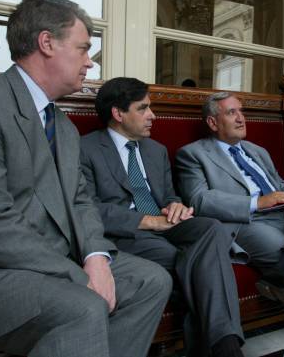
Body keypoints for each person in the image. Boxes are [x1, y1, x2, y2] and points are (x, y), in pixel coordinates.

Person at [0, 0, 172, 357]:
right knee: (80, 306)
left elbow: (80, 201)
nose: (91, 61)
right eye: (84, 48)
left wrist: (96, 257)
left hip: (47, 262)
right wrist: (78, 276)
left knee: (152, 280)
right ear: (46, 43)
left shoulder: (64, 127)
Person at [80, 77, 245, 357]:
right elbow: (87, 206)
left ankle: (219, 345)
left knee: (212, 229)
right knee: (195, 262)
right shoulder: (85, 148)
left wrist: (175, 206)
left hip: (165, 222)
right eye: (143, 108)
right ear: (118, 114)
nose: (152, 116)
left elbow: (170, 195)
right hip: (127, 232)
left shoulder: (155, 150)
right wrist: (148, 221)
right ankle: (224, 345)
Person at [175, 92, 284, 357]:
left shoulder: (257, 151)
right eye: (232, 113)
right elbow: (199, 199)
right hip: (249, 222)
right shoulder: (193, 154)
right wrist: (258, 202)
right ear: (212, 122)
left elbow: (279, 185)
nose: (241, 118)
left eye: (241, 111)